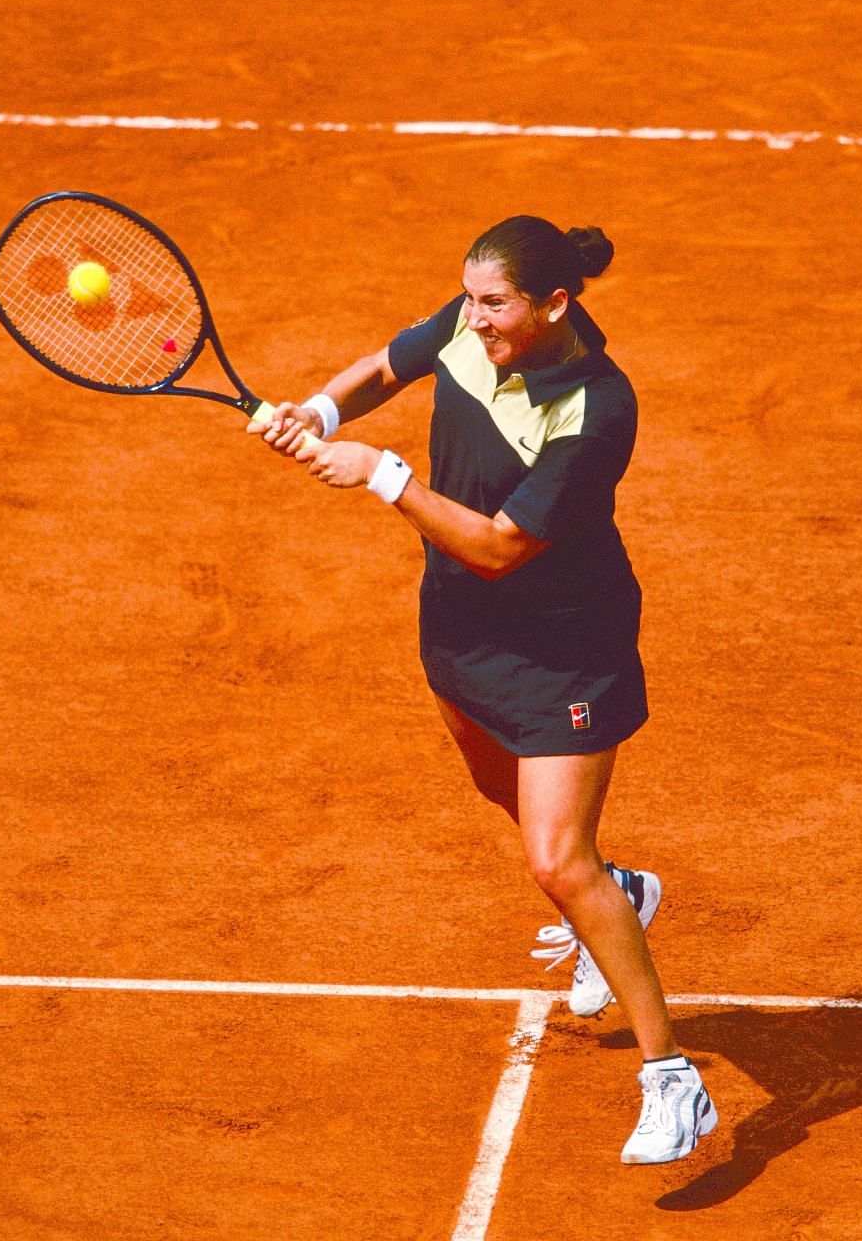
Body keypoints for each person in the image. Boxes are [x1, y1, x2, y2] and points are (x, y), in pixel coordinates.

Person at [245, 215, 717, 1164]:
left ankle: (672, 1079)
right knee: (494, 786)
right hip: (460, 625)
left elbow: (503, 546)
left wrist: (383, 477)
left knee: (555, 860)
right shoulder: (474, 324)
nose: (474, 317)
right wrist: (320, 415)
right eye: (469, 295)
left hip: (563, 647)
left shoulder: (597, 404)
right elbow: (386, 366)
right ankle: (620, 893)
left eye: (495, 303)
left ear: (555, 303)